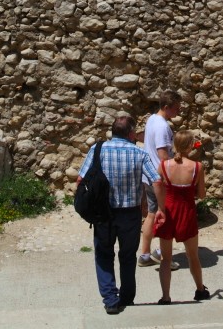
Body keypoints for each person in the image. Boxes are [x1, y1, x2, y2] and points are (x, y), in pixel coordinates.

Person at [78, 116, 165, 315]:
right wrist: (162, 208)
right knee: (127, 256)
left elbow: (81, 178)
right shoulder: (139, 153)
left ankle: (110, 299)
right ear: (131, 133)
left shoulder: (97, 150)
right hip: (130, 214)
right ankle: (127, 297)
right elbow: (156, 181)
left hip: (104, 213)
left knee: (104, 254)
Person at [155, 130, 209, 303]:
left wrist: (159, 208)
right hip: (186, 211)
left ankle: (165, 296)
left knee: (165, 258)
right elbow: (201, 195)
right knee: (192, 255)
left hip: (168, 210)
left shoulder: (163, 165)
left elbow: (159, 188)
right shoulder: (197, 167)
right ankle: (200, 290)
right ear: (191, 145)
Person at [139, 90, 182, 268]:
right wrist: (178, 161)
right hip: (161, 178)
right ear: (166, 107)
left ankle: (144, 254)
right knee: (166, 216)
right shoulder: (163, 127)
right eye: (176, 109)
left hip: (148, 175)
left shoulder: (151, 119)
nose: (178, 112)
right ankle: (164, 256)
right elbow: (163, 155)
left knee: (151, 214)